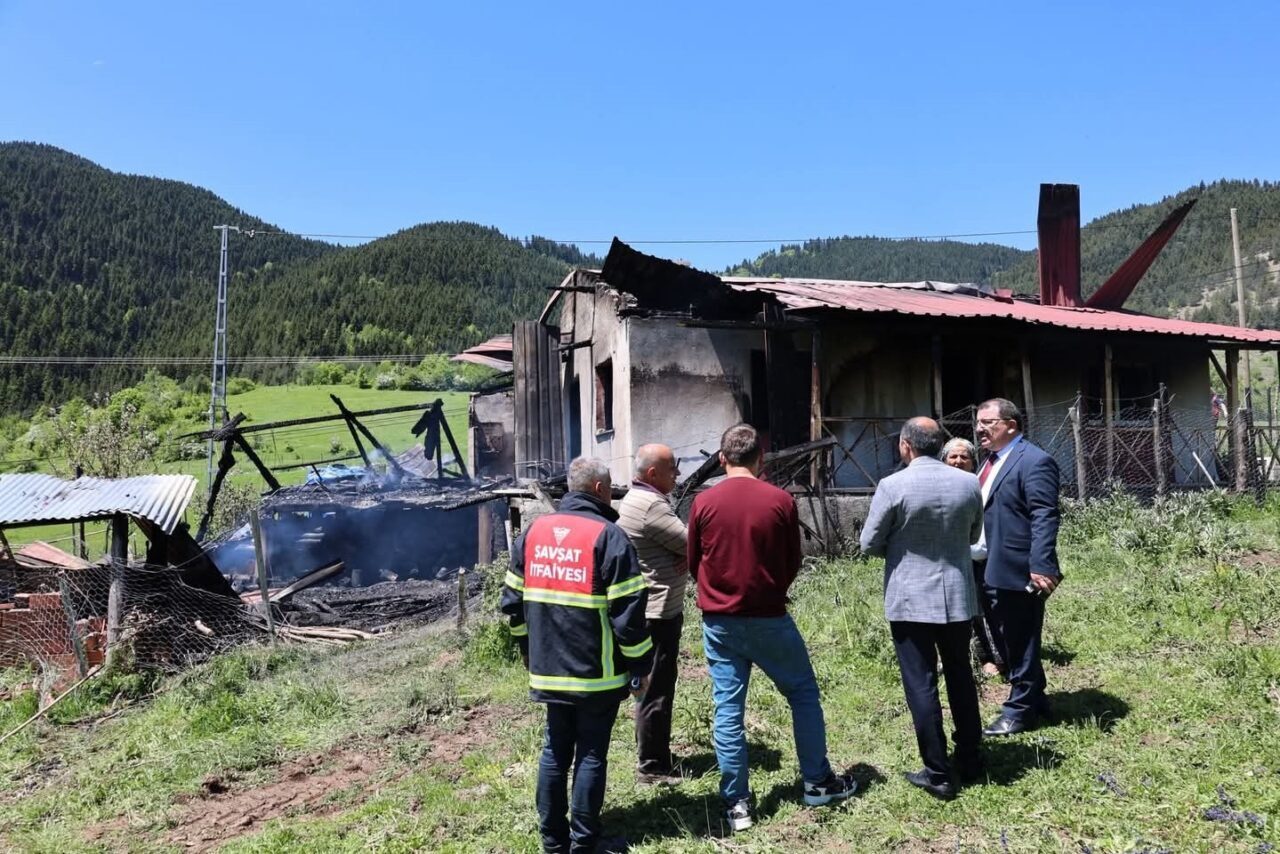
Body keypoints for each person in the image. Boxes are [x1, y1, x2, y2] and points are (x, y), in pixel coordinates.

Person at [688, 423, 857, 832]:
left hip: (720, 621)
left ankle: (737, 804)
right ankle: (817, 782)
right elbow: (791, 560)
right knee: (802, 694)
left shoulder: (704, 502)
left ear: (722, 458)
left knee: (728, 710)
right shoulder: (780, 500)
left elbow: (694, 561)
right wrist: (771, 590)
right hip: (769, 617)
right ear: (760, 458)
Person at [501, 457, 654, 854]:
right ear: (601, 490)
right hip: (595, 674)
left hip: (547, 670)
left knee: (555, 750)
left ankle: (553, 843)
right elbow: (629, 616)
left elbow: (511, 605)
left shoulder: (532, 532)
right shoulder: (609, 536)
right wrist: (641, 666)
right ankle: (585, 843)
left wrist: (528, 653)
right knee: (590, 754)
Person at [861, 418, 986, 799]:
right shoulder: (968, 482)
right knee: (962, 677)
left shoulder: (892, 485)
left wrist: (897, 547)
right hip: (957, 596)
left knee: (921, 682)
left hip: (911, 597)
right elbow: (973, 535)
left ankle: (938, 771)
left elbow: (869, 542)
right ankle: (972, 758)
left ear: (905, 446)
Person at [974, 398, 1062, 736]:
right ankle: (1036, 699)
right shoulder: (990, 462)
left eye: (988, 422)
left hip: (1018, 567)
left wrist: (1041, 564)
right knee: (1009, 637)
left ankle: (1019, 711)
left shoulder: (1034, 461)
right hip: (987, 563)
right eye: (978, 422)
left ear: (1010, 424)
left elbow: (1044, 515)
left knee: (1020, 639)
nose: (980, 429)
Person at [617, 443, 688, 786]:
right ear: (651, 474)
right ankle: (653, 767)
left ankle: (654, 756)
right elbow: (694, 542)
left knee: (652, 685)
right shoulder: (650, 507)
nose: (677, 474)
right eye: (671, 469)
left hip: (651, 607)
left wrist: (686, 557)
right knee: (656, 687)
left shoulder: (637, 499)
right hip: (658, 611)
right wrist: (690, 556)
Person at [941, 436, 1005, 678]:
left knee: (985, 608)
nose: (958, 461)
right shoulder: (938, 486)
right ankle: (971, 654)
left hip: (980, 555)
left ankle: (996, 658)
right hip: (950, 558)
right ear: (944, 461)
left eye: (964, 457)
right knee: (961, 609)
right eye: (953, 457)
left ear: (972, 461)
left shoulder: (979, 484)